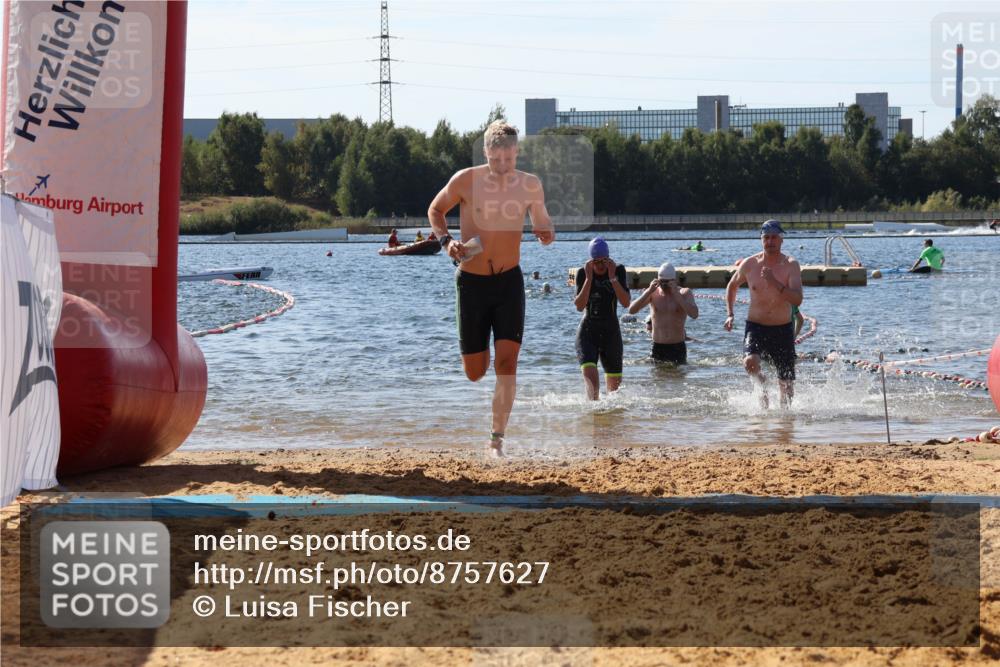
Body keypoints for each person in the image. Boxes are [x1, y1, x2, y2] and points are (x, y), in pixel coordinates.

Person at [427, 120, 555, 453]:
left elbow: (544, 224)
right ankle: (478, 365)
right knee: (475, 371)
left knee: (507, 364)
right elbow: (436, 210)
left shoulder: (530, 185)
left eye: (508, 160)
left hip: (509, 281)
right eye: (496, 159)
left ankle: (496, 440)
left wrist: (546, 233)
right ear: (486, 153)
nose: (502, 167)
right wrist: (446, 242)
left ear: (516, 153)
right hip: (471, 282)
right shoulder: (466, 180)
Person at [724, 219, 803, 408]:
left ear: (781, 240)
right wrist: (730, 313)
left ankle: (785, 425)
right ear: (761, 240)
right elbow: (732, 286)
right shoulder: (750, 264)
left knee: (786, 385)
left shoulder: (791, 265)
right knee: (750, 362)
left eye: (774, 237)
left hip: (782, 328)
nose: (770, 241)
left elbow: (797, 299)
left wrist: (774, 281)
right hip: (756, 326)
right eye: (766, 238)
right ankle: (762, 386)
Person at [573, 238, 630, 400]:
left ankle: (609, 426)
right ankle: (593, 420)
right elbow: (579, 306)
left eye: (604, 261)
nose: (600, 266)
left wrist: (612, 278)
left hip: (611, 333)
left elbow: (626, 303)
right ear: (590, 261)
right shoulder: (583, 273)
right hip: (587, 333)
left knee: (614, 397)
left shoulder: (618, 270)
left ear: (609, 259)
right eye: (596, 262)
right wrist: (589, 279)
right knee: (593, 393)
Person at [629, 262, 698, 365]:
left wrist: (677, 295)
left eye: (667, 282)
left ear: (674, 280)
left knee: (678, 379)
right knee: (657, 379)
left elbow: (694, 314)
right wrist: (648, 291)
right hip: (657, 346)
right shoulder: (653, 293)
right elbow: (632, 310)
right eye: (661, 282)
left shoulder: (684, 293)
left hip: (677, 347)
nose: (664, 285)